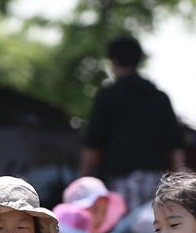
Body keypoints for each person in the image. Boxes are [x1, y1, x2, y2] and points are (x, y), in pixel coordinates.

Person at [79, 36, 186, 211]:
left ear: (113, 61)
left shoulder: (109, 95)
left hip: (120, 179)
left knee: (124, 232)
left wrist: (82, 179)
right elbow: (176, 142)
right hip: (155, 180)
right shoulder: (159, 97)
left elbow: (92, 140)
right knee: (153, 229)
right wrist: (182, 181)